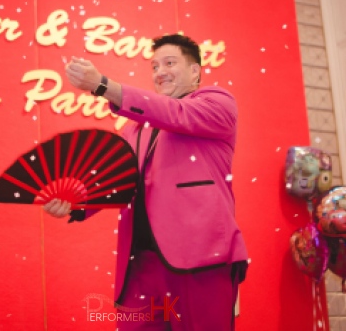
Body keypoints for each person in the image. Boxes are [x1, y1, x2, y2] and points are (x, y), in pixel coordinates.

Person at [44, 34, 248, 330]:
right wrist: (76, 202)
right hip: (139, 264)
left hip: (201, 258)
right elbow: (118, 179)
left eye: (169, 63)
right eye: (154, 66)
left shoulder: (217, 104)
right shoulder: (134, 128)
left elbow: (175, 114)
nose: (159, 72)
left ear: (195, 71)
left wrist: (103, 85)